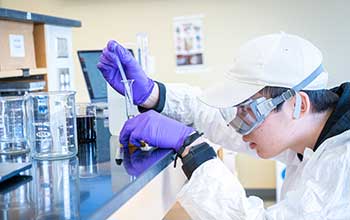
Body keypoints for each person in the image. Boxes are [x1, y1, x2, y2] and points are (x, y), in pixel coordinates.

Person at [97, 32, 350, 219]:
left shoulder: (343, 161)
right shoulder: (313, 136)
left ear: (298, 105)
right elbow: (216, 119)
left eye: (249, 112)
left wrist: (192, 149)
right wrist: (154, 95)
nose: (237, 125)